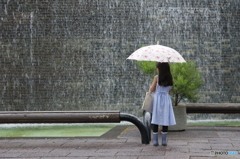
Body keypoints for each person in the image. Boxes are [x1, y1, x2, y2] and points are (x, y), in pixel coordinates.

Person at [149, 62, 176, 146]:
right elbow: (169, 90)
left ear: (160, 69)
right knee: (165, 118)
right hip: (166, 99)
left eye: (157, 68)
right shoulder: (170, 78)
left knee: (155, 118)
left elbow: (152, 89)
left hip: (157, 100)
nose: (156, 69)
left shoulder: (156, 78)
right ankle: (164, 141)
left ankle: (155, 141)